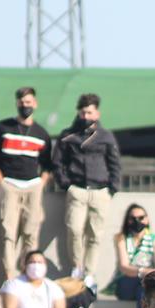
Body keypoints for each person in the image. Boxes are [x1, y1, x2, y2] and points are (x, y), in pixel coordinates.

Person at [0, 87, 53, 280]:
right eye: (22, 102)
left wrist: (41, 182)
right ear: (17, 103)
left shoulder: (41, 133)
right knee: (9, 232)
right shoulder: (2, 128)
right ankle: (9, 274)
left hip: (32, 186)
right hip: (10, 185)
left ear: (35, 103)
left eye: (29, 102)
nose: (26, 106)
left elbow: (48, 163)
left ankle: (28, 272)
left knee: (31, 232)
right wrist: (2, 182)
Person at [56, 93, 121, 285]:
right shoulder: (68, 135)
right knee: (74, 229)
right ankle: (77, 266)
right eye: (83, 112)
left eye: (90, 113)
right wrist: (66, 184)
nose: (86, 116)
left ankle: (90, 272)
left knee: (96, 234)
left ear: (97, 113)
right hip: (77, 189)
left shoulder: (106, 136)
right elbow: (58, 162)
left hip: (100, 191)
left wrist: (112, 188)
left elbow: (114, 163)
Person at [110, 203, 155, 303]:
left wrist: (150, 274)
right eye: (132, 218)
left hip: (146, 284)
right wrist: (143, 272)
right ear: (127, 220)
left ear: (147, 220)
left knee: (143, 289)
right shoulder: (121, 238)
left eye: (141, 218)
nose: (137, 221)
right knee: (143, 286)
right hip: (126, 283)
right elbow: (124, 267)